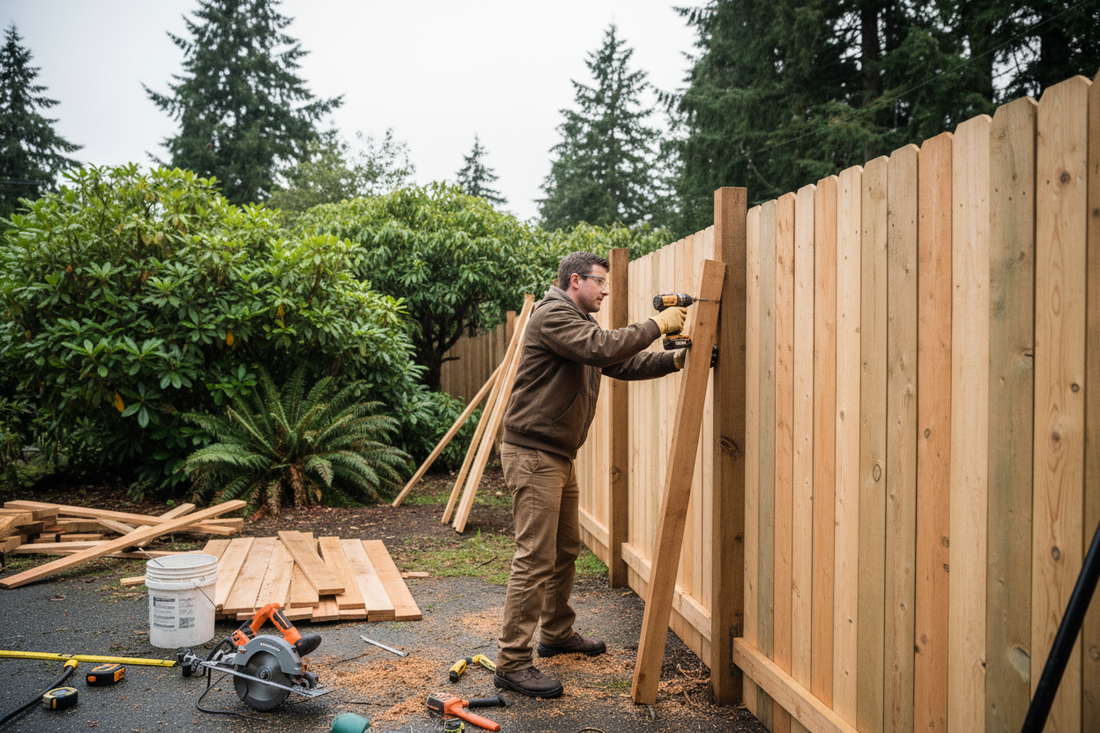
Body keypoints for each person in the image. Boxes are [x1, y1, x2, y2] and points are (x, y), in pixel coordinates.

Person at [493, 251, 689, 698]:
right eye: (600, 283)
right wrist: (657, 326)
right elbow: (601, 349)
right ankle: (511, 661)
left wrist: (673, 361)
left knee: (565, 548)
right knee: (534, 556)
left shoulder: (578, 321)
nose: (605, 291)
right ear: (574, 280)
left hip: (556, 455)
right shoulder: (553, 316)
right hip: (534, 454)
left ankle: (557, 634)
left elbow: (616, 363)